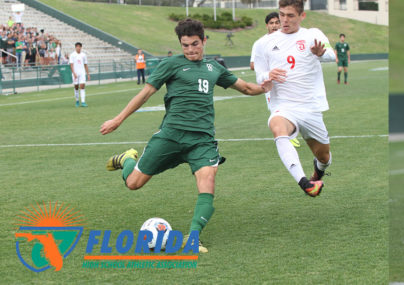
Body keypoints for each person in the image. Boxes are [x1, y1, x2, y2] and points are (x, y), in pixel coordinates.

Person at [99, 19, 271, 253]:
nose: (190, 50)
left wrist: (268, 85)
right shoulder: (171, 64)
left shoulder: (214, 68)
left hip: (202, 140)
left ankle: (193, 238)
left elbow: (247, 88)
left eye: (195, 44)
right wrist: (118, 119)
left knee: (207, 184)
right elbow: (146, 93)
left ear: (204, 41)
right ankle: (128, 158)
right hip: (171, 135)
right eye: (185, 45)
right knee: (133, 183)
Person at [252, 0, 337, 197]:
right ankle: (305, 183)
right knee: (277, 127)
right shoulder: (263, 44)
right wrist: (268, 76)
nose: (284, 20)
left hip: (311, 107)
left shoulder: (312, 35)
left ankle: (319, 170)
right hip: (284, 106)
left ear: (302, 16)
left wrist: (321, 54)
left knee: (324, 157)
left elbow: (333, 55)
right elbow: (259, 75)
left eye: (290, 16)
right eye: (282, 14)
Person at [251, 12, 301, 148]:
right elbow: (252, 64)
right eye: (271, 23)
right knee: (276, 110)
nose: (274, 26)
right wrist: (268, 71)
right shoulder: (260, 43)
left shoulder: (288, 40)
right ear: (267, 25)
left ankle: (290, 132)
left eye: (277, 23)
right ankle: (287, 136)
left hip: (289, 82)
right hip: (271, 84)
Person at [69, 42, 89, 107]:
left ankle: (83, 102)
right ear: (75, 47)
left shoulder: (83, 55)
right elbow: (71, 65)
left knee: (82, 86)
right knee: (76, 87)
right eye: (77, 46)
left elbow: (85, 65)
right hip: (75, 73)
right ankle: (77, 100)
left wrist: (88, 74)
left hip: (82, 73)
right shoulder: (72, 55)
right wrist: (74, 73)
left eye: (79, 46)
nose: (78, 48)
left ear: (81, 47)